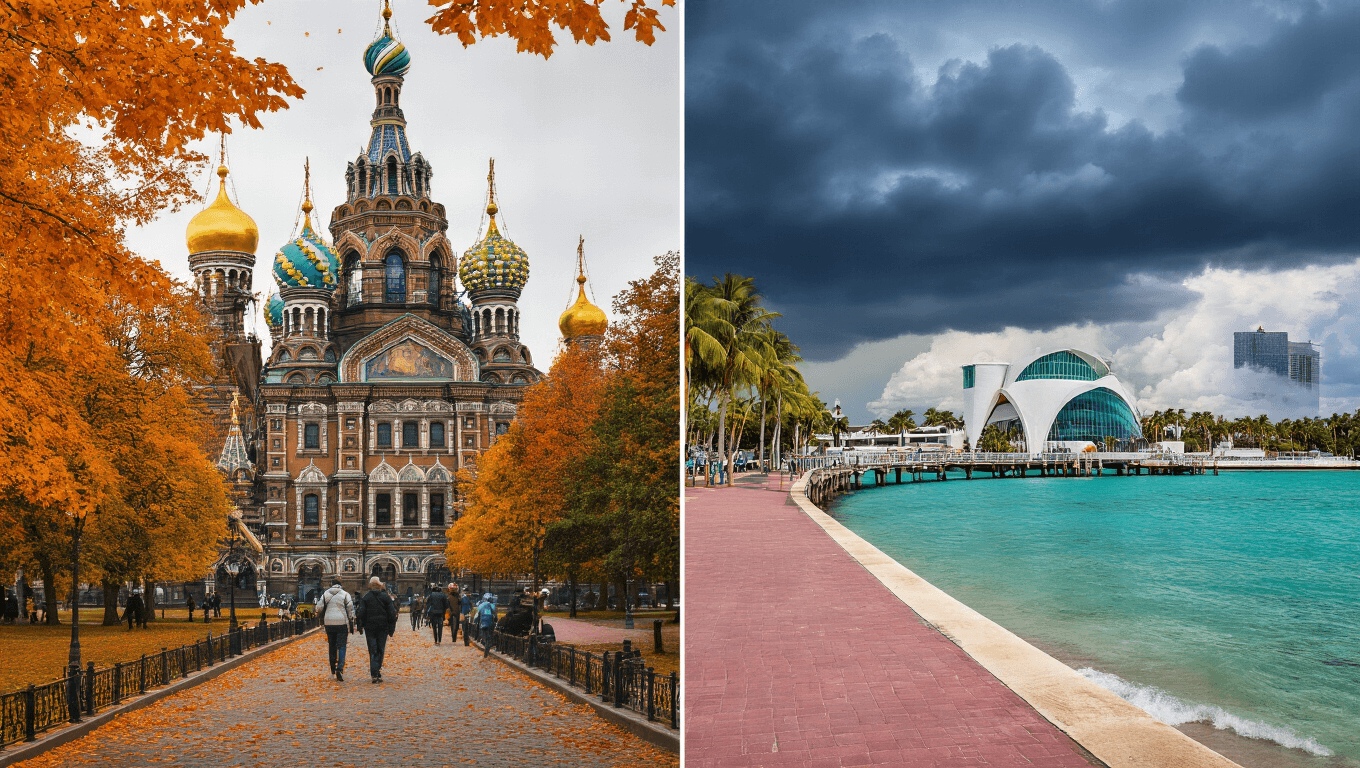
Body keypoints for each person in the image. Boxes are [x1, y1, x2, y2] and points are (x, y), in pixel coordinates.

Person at [355, 577, 397, 683]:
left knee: (372, 650)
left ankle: (374, 674)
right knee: (380, 649)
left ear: (370, 585)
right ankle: (377, 671)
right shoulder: (386, 597)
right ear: (380, 585)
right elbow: (392, 614)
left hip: (370, 627)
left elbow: (361, 613)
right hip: (383, 627)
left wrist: (360, 626)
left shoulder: (366, 597)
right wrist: (391, 629)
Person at [318, 579, 355, 681]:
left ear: (331, 585)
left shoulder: (325, 594)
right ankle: (340, 668)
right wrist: (351, 620)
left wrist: (320, 614)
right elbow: (350, 609)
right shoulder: (345, 594)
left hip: (329, 623)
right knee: (342, 645)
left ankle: (332, 668)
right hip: (342, 623)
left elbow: (319, 607)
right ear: (340, 585)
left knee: (332, 645)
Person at [473, 593, 497, 657]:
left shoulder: (480, 605)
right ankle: (485, 655)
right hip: (490, 625)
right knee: (488, 640)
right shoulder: (492, 606)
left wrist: (475, 622)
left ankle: (485, 653)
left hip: (482, 625)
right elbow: (495, 615)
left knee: (485, 638)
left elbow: (476, 616)